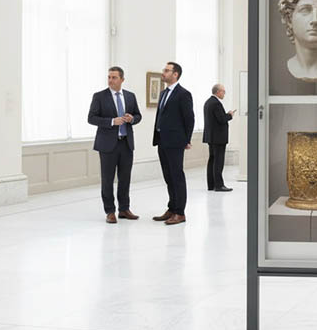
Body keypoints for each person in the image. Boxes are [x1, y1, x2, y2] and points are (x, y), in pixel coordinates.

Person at [87, 66, 142, 223]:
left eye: (114, 77)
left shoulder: (130, 96)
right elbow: (91, 118)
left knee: (125, 179)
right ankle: (110, 211)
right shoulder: (99, 96)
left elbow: (138, 115)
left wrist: (132, 119)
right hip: (107, 145)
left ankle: (124, 209)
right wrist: (112, 121)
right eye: (109, 77)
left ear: (122, 79)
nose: (110, 80)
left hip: (126, 144)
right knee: (107, 179)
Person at [152, 62, 194, 225]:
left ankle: (180, 213)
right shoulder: (164, 93)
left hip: (175, 141)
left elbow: (189, 118)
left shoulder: (184, 94)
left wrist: (187, 140)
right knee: (168, 176)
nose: (163, 72)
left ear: (175, 74)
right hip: (162, 140)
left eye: (166, 70)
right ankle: (172, 208)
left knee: (177, 177)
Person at [203, 84, 236, 192]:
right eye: (223, 91)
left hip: (211, 137)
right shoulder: (216, 103)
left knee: (212, 160)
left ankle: (211, 184)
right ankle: (219, 185)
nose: (224, 94)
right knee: (218, 161)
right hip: (218, 138)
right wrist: (230, 115)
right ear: (218, 92)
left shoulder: (208, 102)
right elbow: (221, 119)